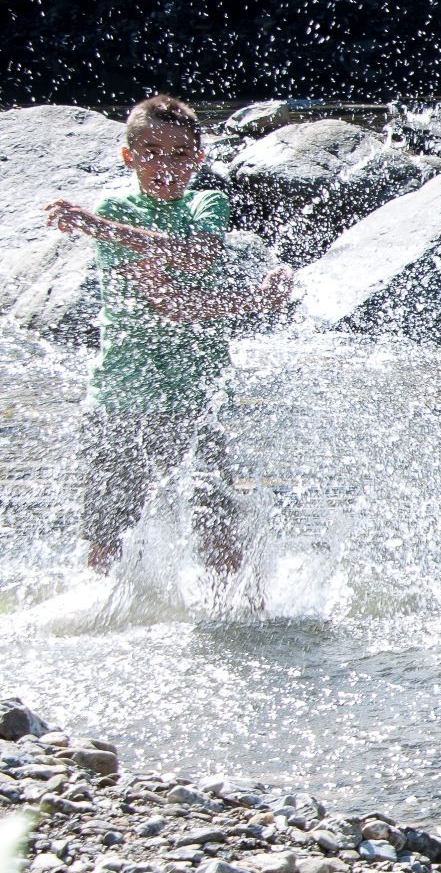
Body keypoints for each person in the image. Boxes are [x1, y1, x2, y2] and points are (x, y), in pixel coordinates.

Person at [44, 93, 292, 572]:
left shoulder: (206, 202)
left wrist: (99, 229)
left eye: (180, 154)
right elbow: (169, 304)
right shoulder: (116, 207)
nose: (165, 166)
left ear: (198, 159)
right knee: (108, 529)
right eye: (151, 152)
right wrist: (254, 302)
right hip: (123, 396)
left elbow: (197, 259)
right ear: (128, 156)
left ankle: (237, 624)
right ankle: (102, 614)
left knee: (217, 521)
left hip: (198, 392)